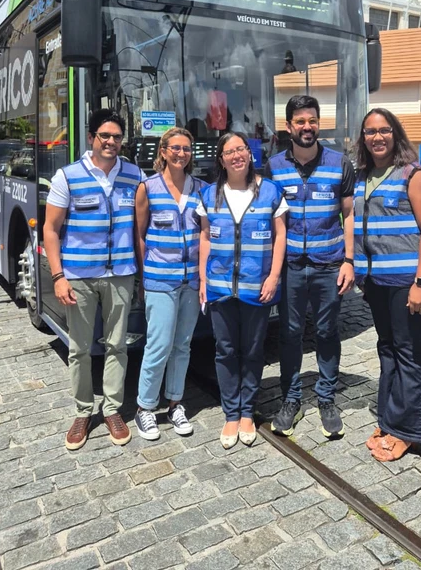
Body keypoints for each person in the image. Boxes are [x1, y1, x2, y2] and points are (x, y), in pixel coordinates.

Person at [44, 109, 145, 450]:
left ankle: (112, 409)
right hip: (79, 277)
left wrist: (142, 274)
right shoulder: (68, 176)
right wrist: (58, 277)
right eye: (105, 135)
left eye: (117, 137)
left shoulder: (134, 175)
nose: (111, 142)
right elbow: (51, 229)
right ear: (91, 138)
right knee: (80, 349)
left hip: (121, 275)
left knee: (118, 345)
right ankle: (83, 412)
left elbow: (140, 227)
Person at [265, 95, 355, 439]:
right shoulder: (274, 167)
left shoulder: (339, 163)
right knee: (289, 334)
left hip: (329, 265)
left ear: (319, 123)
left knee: (327, 331)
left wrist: (349, 261)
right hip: (289, 267)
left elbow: (349, 214)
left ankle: (326, 398)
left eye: (312, 121)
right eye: (300, 121)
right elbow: (270, 219)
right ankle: (291, 399)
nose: (307, 127)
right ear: (289, 126)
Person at [354, 108, 421, 461]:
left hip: (407, 281)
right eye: (370, 131)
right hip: (377, 281)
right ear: (363, 138)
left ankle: (409, 431)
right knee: (387, 348)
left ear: (395, 134)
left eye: (384, 130)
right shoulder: (363, 176)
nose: (377, 137)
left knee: (408, 352)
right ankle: (390, 420)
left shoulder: (412, 174)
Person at [198, 132, 287, 449]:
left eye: (241, 149)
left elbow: (280, 235)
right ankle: (231, 414)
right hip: (220, 288)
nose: (236, 155)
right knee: (225, 350)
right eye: (229, 151)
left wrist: (273, 276)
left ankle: (247, 411)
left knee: (252, 351)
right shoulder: (209, 194)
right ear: (221, 159)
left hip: (256, 288)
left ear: (250, 154)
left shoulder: (271, 191)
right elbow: (205, 238)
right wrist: (203, 280)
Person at [134, 127, 205, 440]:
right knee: (159, 344)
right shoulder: (147, 188)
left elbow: (206, 233)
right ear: (162, 151)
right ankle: (145, 407)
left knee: (182, 345)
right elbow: (139, 235)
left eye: (186, 148)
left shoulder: (201, 189)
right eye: (175, 148)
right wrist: (142, 277)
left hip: (191, 281)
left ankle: (175, 403)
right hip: (159, 279)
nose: (181, 154)